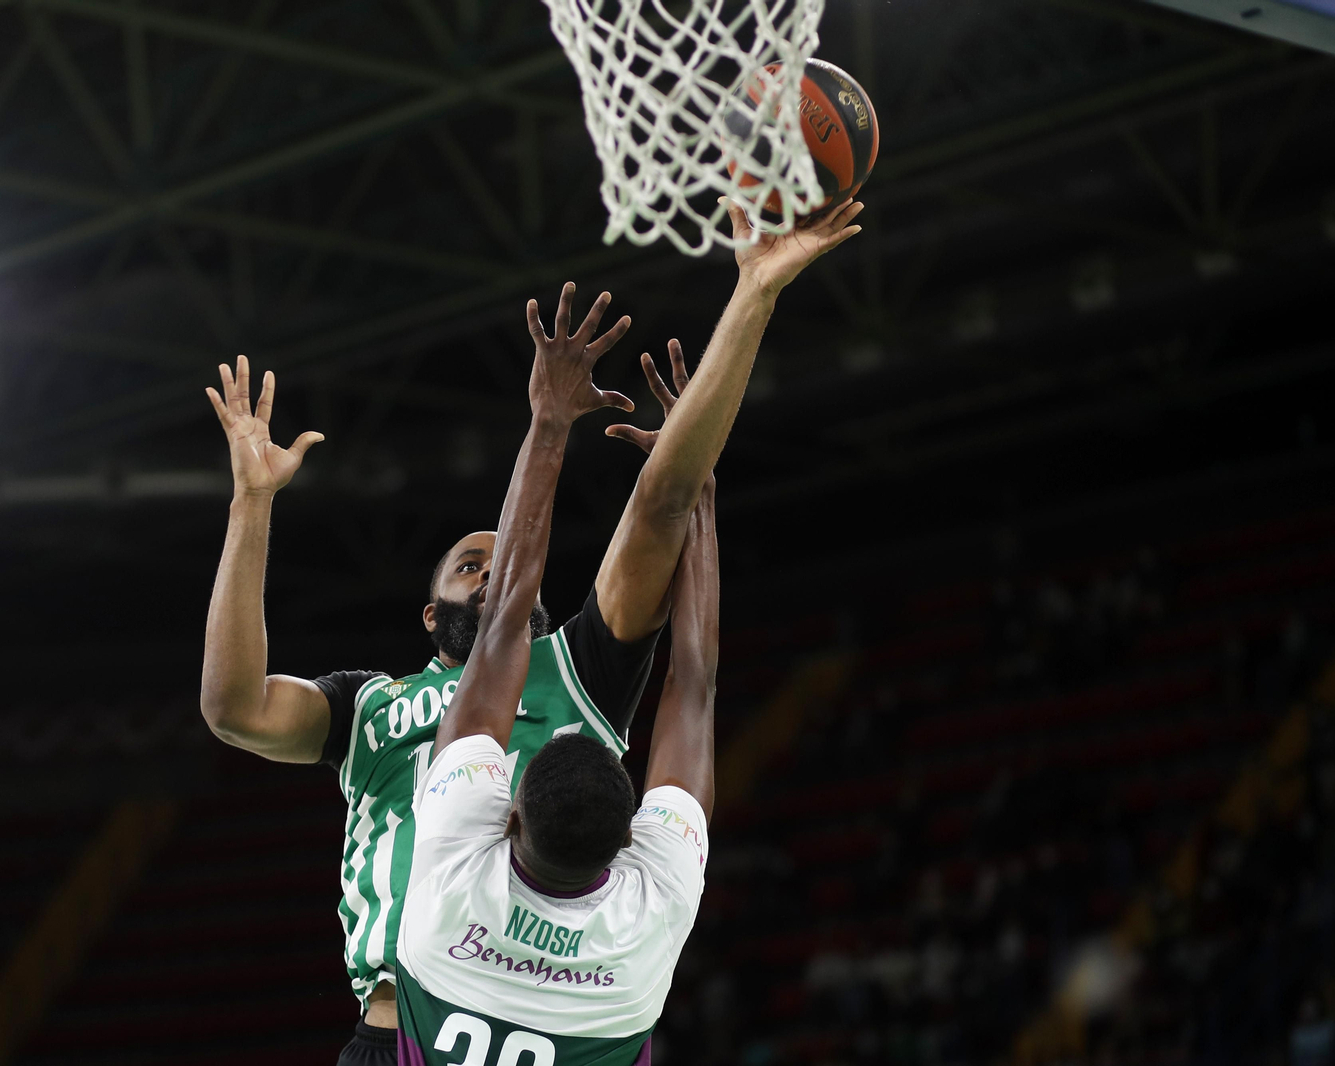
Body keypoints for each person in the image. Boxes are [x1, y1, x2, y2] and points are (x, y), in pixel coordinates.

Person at [197, 199, 863, 1061]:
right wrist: (252, 505)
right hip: (390, 1028)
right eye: (468, 562)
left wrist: (753, 296)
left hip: (515, 1003)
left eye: (500, 559)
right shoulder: (367, 707)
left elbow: (662, 502)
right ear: (432, 613)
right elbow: (232, 708)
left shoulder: (583, 665)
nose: (496, 565)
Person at [395, 330, 719, 1066]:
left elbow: (693, 686)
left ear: (507, 815)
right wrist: (690, 490)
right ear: (629, 842)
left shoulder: (451, 879)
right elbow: (687, 691)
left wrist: (549, 420)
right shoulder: (457, 880)